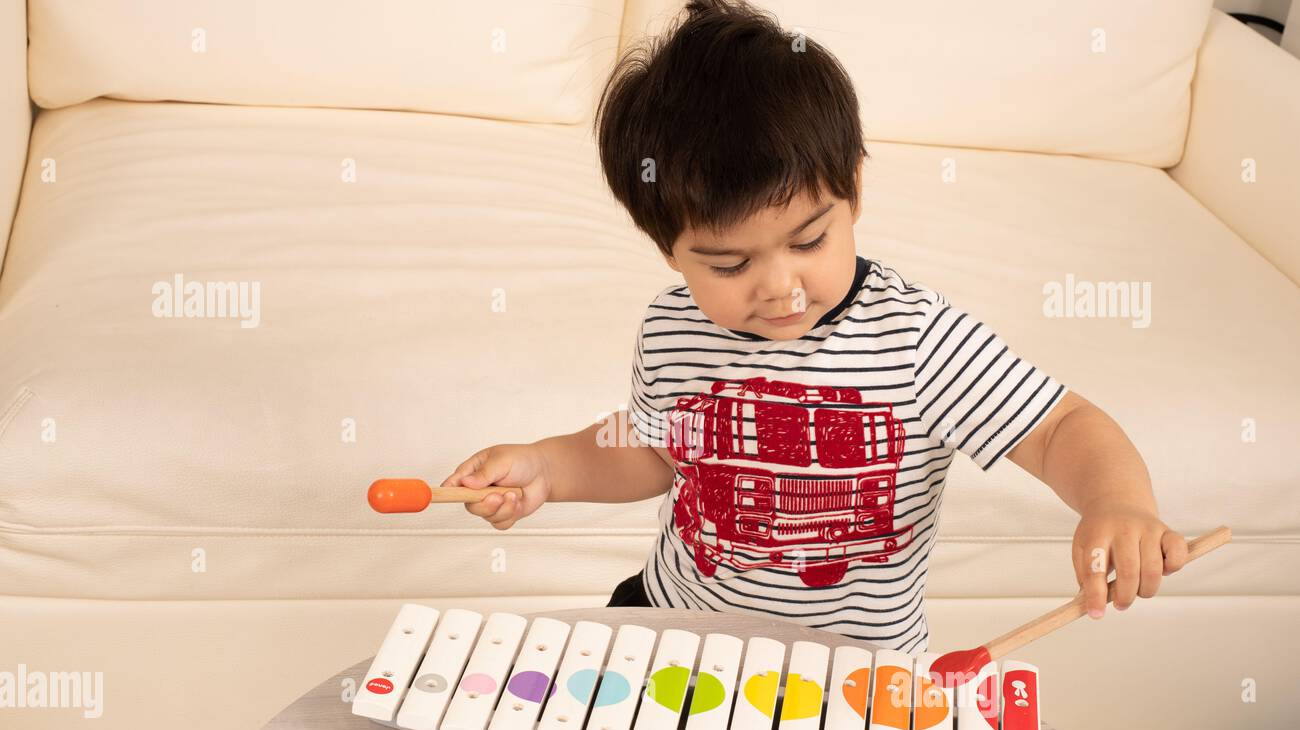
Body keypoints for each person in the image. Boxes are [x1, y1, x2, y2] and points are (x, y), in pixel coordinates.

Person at [439, 0, 1188, 652]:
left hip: (848, 668)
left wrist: (1117, 503)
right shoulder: (672, 329)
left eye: (808, 241)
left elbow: (1060, 428)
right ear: (668, 250)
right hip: (678, 628)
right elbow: (654, 453)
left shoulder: (914, 338)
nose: (780, 288)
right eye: (728, 266)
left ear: (853, 188)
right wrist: (547, 467)